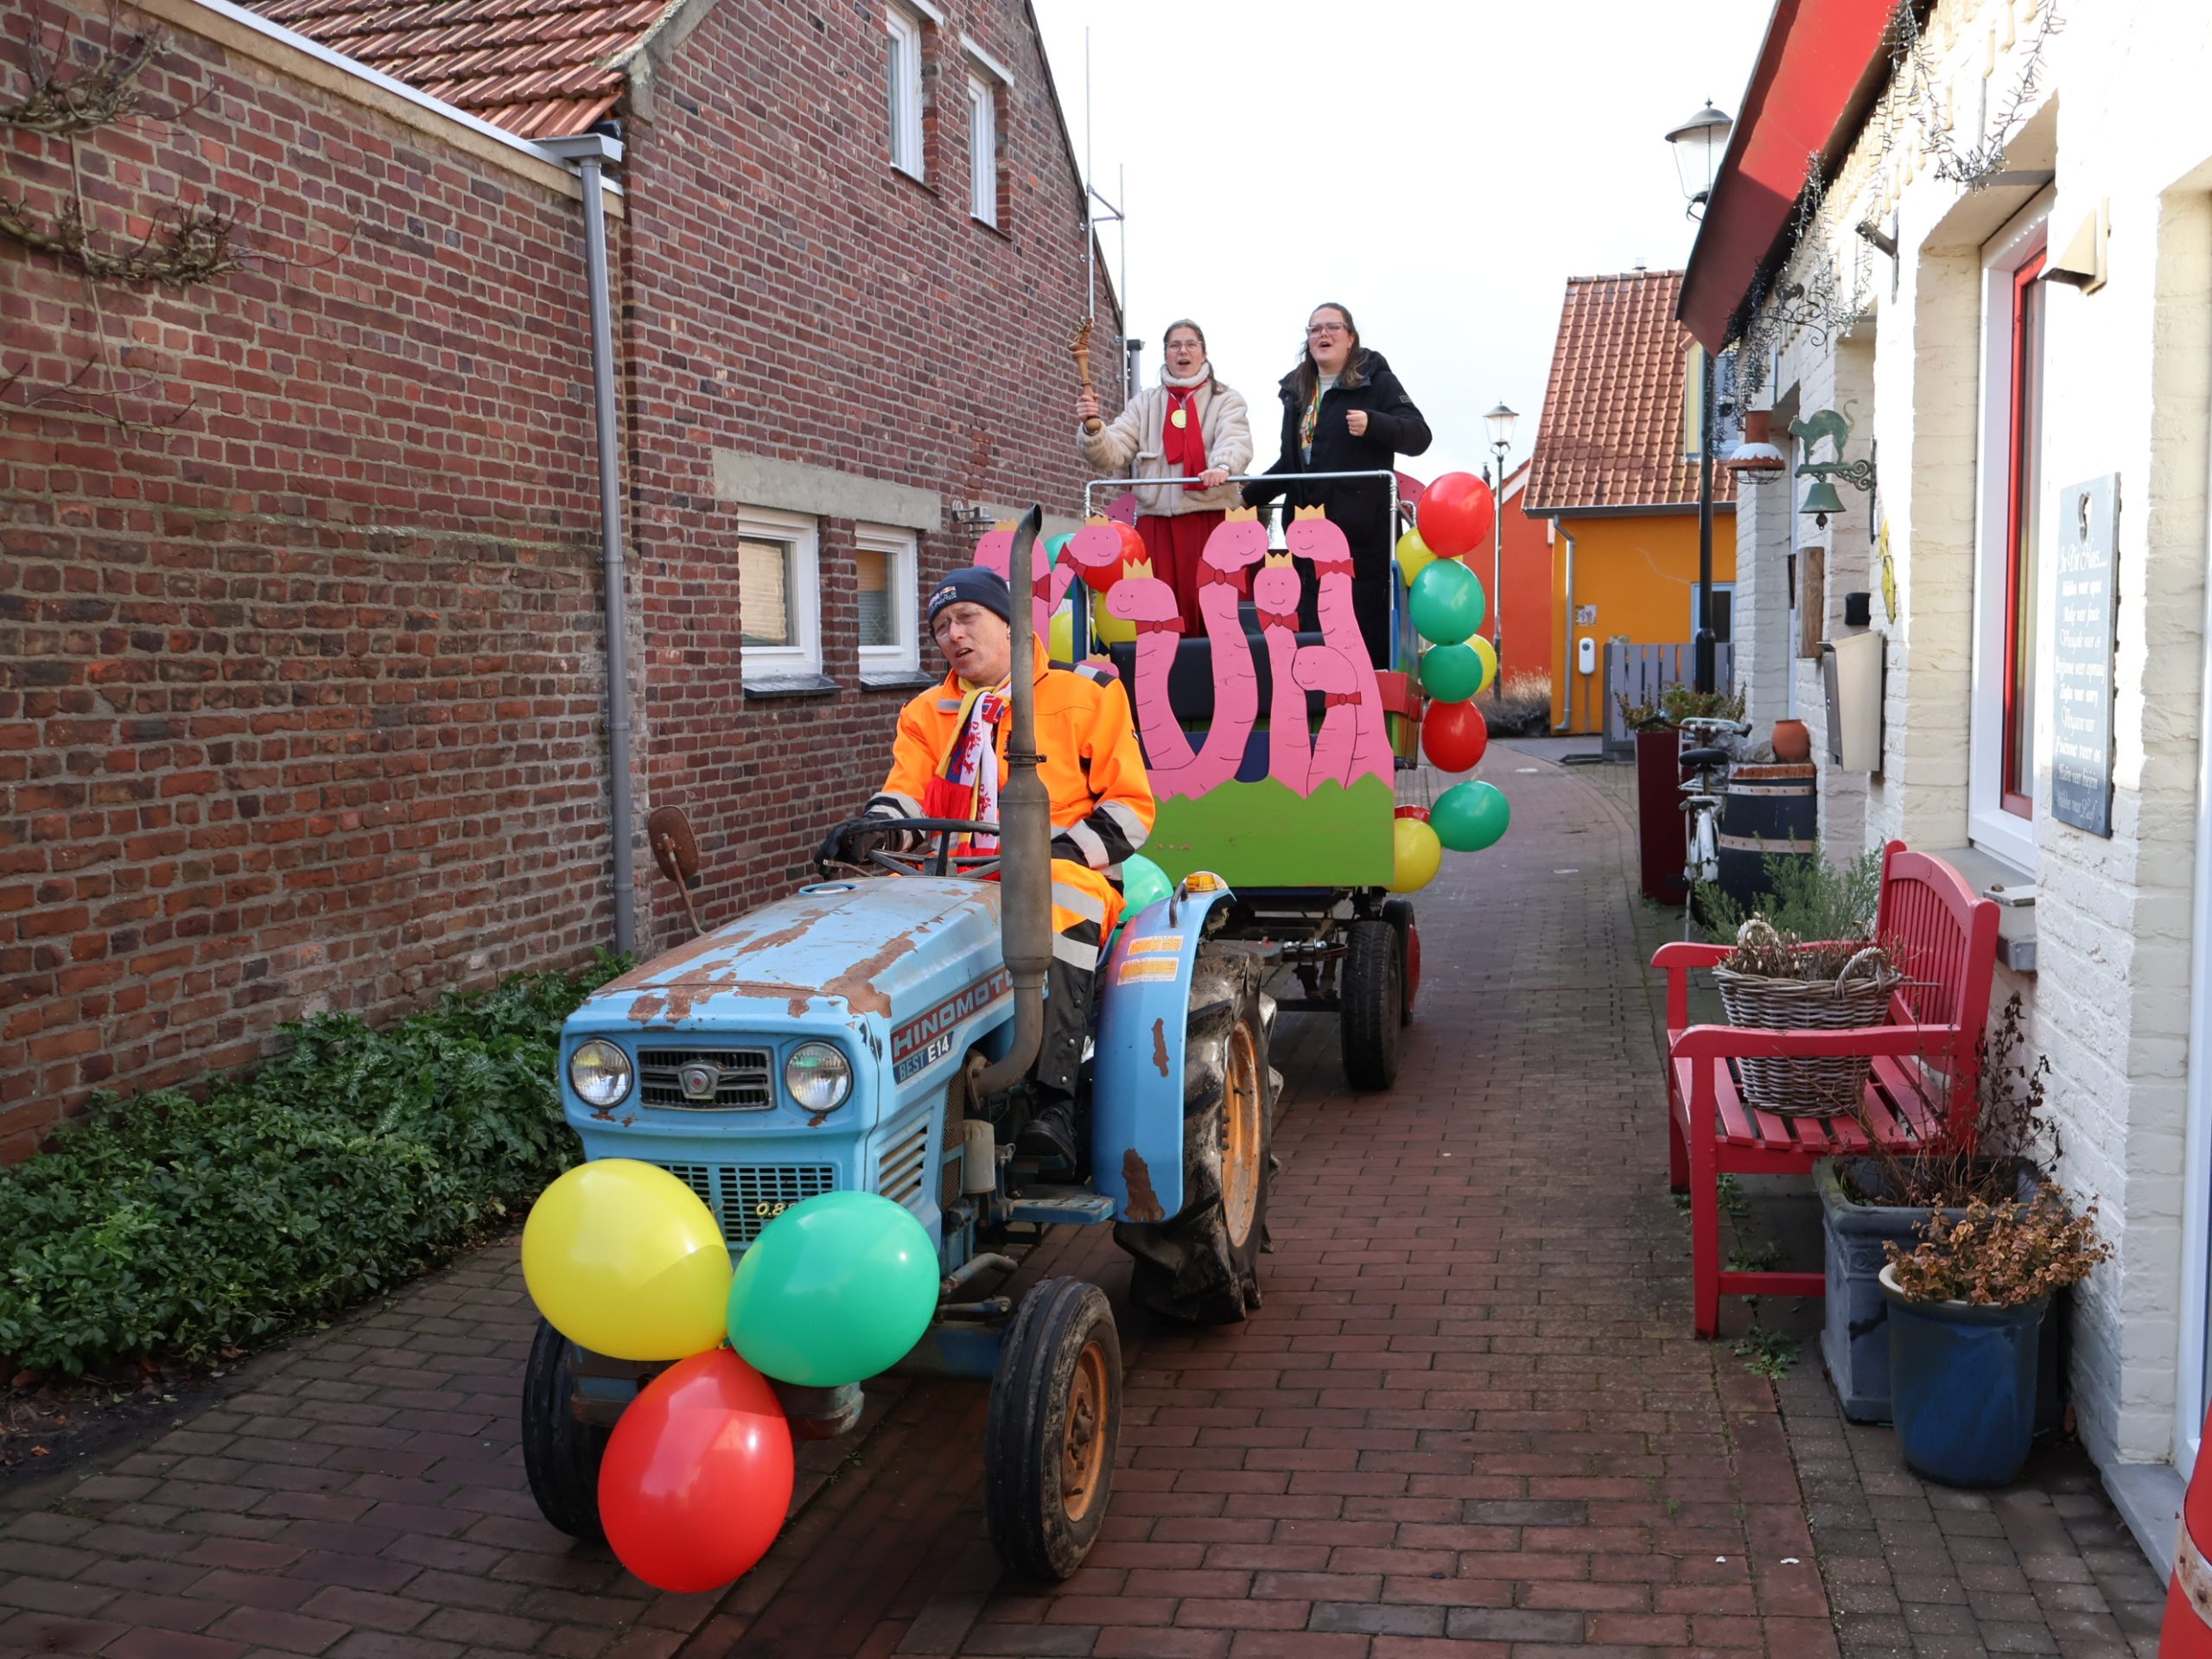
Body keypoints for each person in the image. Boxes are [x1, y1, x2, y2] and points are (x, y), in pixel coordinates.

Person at [863, 566, 1155, 1167]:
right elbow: (907, 797)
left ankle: (1056, 1102)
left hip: (1061, 867)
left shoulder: (1088, 692)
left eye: (966, 617)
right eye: (941, 626)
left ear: (1010, 624)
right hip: (953, 873)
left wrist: (1048, 854)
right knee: (873, 913)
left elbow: (1131, 809)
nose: (953, 635)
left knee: (1058, 900)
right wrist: (876, 829)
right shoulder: (926, 711)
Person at [1243, 302, 1432, 667]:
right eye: (1315, 329)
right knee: (1314, 636)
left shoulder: (1377, 382)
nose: (1323, 334)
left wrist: (1374, 423)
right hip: (1306, 537)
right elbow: (1293, 463)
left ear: (1351, 338)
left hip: (1360, 539)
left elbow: (1419, 437)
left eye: (1332, 327)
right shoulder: (1297, 391)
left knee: (1359, 635)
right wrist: (1247, 497)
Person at [1077, 319, 1253, 627]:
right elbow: (1112, 452)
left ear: (1203, 353)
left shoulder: (1226, 399)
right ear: (1166, 354)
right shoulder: (1144, 403)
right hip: (1156, 526)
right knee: (1158, 615)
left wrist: (1222, 466)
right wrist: (1093, 429)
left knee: (1216, 612)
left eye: (1190, 344)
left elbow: (1235, 440)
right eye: (1175, 345)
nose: (1182, 351)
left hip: (1210, 520)